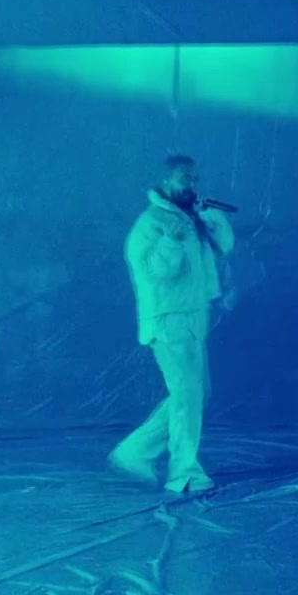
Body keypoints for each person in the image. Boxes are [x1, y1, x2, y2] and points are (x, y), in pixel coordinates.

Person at [108, 153, 234, 494]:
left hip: (190, 320)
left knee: (195, 394)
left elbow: (224, 246)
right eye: (184, 178)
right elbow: (158, 272)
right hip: (168, 321)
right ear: (165, 181)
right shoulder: (151, 223)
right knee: (188, 395)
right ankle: (184, 473)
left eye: (195, 178)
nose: (192, 185)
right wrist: (171, 241)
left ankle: (133, 453)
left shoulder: (190, 218)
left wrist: (210, 218)